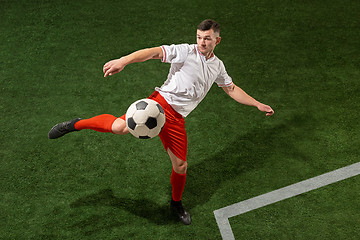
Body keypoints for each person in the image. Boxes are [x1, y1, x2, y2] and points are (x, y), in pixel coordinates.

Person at [48, 19, 274, 225]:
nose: (202, 42)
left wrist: (257, 104)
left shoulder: (218, 66)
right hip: (158, 105)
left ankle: (176, 203)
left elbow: (231, 88)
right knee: (119, 128)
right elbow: (153, 53)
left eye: (207, 38)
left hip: (177, 119)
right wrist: (123, 61)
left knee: (181, 166)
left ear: (217, 40)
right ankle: (75, 124)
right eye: (199, 37)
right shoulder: (186, 51)